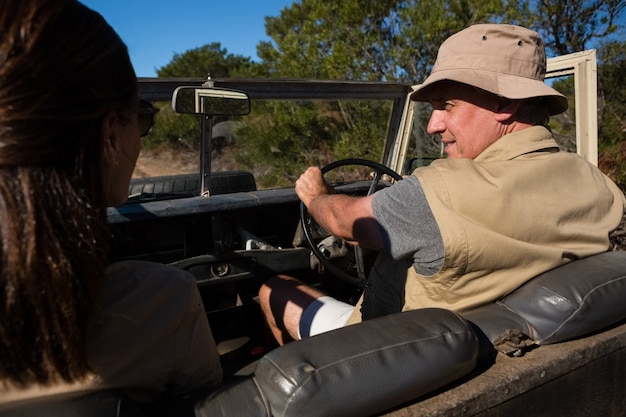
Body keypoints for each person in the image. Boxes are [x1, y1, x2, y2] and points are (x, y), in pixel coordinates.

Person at [259, 23, 626, 345]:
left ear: (503, 103)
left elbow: (345, 224)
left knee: (271, 289)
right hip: (476, 348)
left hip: (378, 351)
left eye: (446, 106)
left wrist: (315, 193)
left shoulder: (439, 191)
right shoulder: (598, 184)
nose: (433, 125)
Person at [0, 0, 221, 406]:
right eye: (141, 117)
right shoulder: (162, 302)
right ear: (109, 134)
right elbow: (210, 405)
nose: (139, 137)